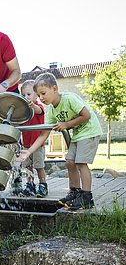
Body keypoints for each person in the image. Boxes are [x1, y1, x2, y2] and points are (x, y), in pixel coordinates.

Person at [18, 73, 102, 210]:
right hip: (78, 134)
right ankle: (75, 192)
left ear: (54, 89)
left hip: (90, 131)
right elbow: (44, 134)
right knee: (69, 162)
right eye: (38, 95)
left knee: (80, 163)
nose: (41, 98)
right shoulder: (51, 110)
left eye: (43, 93)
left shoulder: (69, 99)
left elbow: (86, 115)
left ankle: (87, 197)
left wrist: (66, 124)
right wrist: (29, 151)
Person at [19, 80, 48, 197]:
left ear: (36, 95)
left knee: (39, 166)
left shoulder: (38, 107)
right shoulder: (23, 111)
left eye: (29, 94)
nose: (26, 97)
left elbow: (39, 111)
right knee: (27, 167)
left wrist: (33, 106)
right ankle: (30, 185)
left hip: (37, 145)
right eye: (23, 95)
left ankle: (42, 185)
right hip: (26, 144)